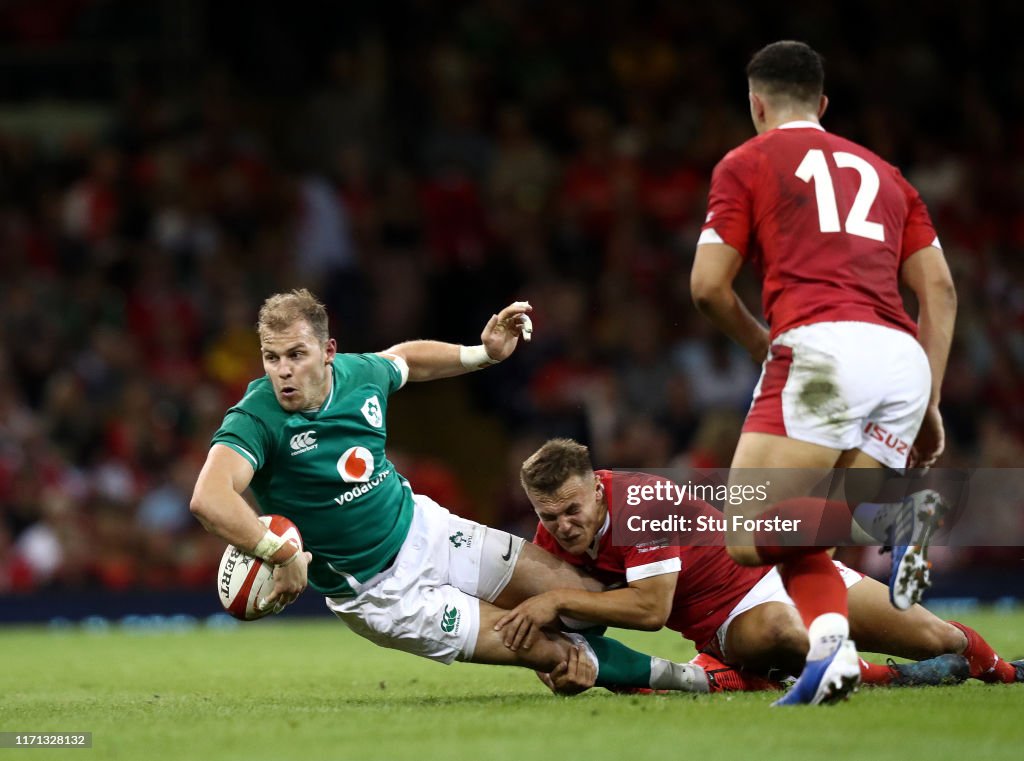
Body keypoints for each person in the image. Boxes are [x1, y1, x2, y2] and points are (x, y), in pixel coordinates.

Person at [190, 288, 710, 696]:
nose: (283, 371)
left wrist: (481, 353)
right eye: (271, 357)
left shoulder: (358, 375)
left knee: (585, 599)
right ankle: (696, 681)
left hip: (429, 529)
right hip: (383, 595)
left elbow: (406, 361)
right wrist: (279, 552)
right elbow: (209, 498)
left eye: (296, 355)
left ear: (328, 352)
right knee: (547, 650)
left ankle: (718, 639)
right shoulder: (258, 416)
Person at [688, 41, 958, 704]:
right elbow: (942, 292)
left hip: (821, 350)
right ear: (824, 104)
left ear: (757, 103)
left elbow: (707, 289)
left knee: (748, 533)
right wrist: (929, 400)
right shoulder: (889, 175)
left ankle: (894, 525)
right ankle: (831, 655)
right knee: (819, 523)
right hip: (900, 361)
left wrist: (761, 345)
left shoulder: (746, 161)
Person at [496, 438, 1023, 693]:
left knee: (938, 637)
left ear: (597, 486)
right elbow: (580, 623)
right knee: (783, 629)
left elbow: (651, 609)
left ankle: (1003, 670)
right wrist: (557, 661)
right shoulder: (554, 539)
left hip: (776, 570)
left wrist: (558, 599)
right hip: (726, 620)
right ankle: (893, 680)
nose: (563, 525)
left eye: (572, 509)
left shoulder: (642, 501)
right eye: (550, 515)